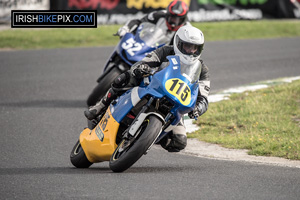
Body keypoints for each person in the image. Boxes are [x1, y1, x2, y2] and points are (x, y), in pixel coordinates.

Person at [85, 25, 210, 153]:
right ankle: (101, 105)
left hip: (175, 104)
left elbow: (204, 97)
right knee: (124, 78)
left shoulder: (202, 69)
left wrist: (198, 109)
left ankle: (147, 138)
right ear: (178, 43)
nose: (191, 51)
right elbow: (143, 62)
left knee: (179, 142)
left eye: (195, 48)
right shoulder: (165, 51)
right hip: (151, 86)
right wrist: (142, 68)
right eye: (187, 46)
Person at [116, 0, 190, 44]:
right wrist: (126, 29)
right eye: (172, 18)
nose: (174, 22)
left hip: (165, 57)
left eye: (178, 19)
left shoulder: (187, 30)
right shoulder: (158, 15)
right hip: (146, 45)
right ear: (167, 15)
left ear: (183, 19)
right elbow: (138, 22)